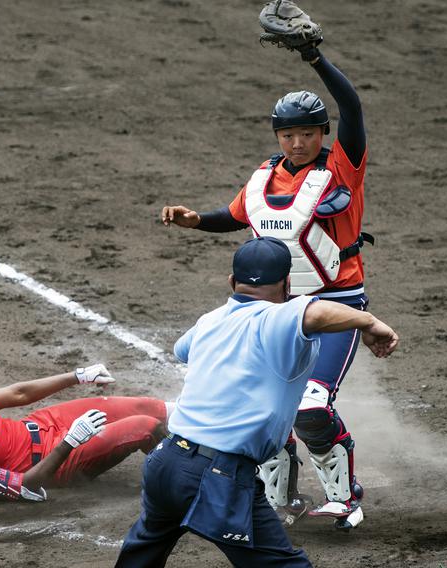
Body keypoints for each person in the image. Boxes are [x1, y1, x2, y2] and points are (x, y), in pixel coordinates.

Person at [159, 6, 374, 528]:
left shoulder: (342, 164)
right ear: (277, 137)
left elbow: (352, 106)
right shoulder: (264, 178)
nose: (297, 142)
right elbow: (233, 218)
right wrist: (195, 221)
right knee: (268, 410)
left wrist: (313, 57)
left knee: (312, 407)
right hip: (273, 313)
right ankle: (282, 498)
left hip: (335, 302)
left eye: (306, 133)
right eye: (287, 134)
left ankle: (346, 498)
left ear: (321, 133)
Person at [116, 236, 398, 567]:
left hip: (164, 464)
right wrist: (369, 321)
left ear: (232, 282)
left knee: (140, 559)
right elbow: (316, 312)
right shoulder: (279, 317)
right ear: (288, 283)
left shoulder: (209, 321)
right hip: (218, 476)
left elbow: (182, 349)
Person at [0, 359, 169, 501]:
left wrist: (78, 376)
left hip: (44, 423)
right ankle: (183, 479)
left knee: (149, 406)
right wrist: (70, 442)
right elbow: (26, 488)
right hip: (54, 462)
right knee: (145, 426)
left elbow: (18, 394)